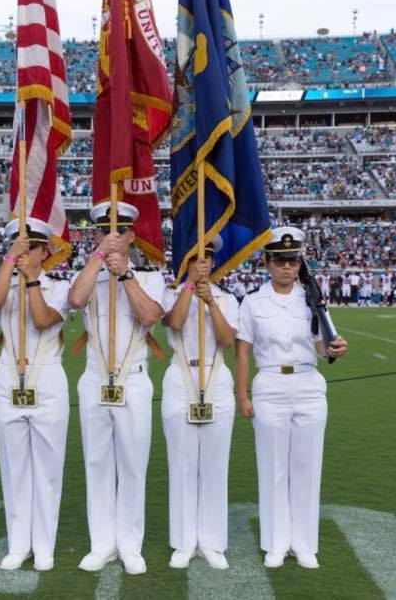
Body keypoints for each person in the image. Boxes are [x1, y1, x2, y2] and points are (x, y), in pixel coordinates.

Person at [234, 227, 349, 570]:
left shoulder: (313, 297)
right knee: (273, 467)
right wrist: (243, 395)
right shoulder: (253, 302)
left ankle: (304, 543)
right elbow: (242, 352)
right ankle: (275, 542)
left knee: (306, 467)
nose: (287, 266)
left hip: (308, 385)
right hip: (270, 385)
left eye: (293, 260)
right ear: (266, 262)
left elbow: (322, 343)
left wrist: (335, 347)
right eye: (280, 260)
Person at [67, 201, 165, 576]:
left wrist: (125, 275)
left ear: (132, 236)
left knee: (132, 465)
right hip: (95, 378)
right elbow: (75, 300)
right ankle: (101, 543)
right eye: (105, 230)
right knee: (97, 464)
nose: (113, 236)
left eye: (120, 231)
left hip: (133, 380)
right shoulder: (88, 273)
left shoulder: (150, 276)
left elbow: (151, 316)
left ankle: (130, 544)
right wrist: (97, 258)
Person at [0, 218, 71, 572]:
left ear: (45, 252)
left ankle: (44, 545)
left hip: (47, 380)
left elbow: (41, 319)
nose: (27, 253)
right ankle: (18, 543)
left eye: (33, 247)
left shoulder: (59, 287)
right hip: (8, 379)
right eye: (22, 246)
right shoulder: (4, 285)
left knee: (47, 469)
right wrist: (10, 261)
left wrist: (31, 280)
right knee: (14, 467)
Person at [160, 235, 238, 570]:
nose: (202, 263)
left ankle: (212, 541)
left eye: (207, 258)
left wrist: (212, 302)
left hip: (216, 374)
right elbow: (174, 323)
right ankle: (183, 541)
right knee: (182, 463)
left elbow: (227, 340)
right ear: (186, 262)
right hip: (181, 373)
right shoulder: (171, 293)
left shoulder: (227, 297)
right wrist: (191, 287)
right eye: (195, 258)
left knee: (214, 465)